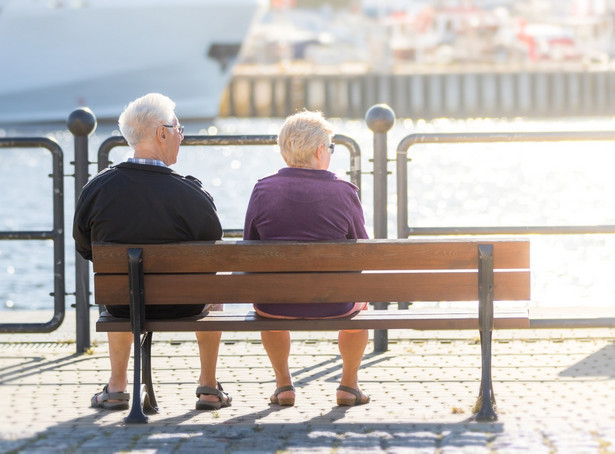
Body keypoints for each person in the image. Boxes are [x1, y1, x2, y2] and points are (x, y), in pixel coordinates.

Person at [73, 93, 231, 411]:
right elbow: (213, 247)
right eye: (178, 128)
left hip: (122, 307)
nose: (180, 135)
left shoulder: (97, 189)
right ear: (162, 133)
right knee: (211, 282)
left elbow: (84, 246)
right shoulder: (192, 194)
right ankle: (209, 386)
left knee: (119, 281)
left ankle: (117, 386)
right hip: (184, 306)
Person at [243, 110, 370, 407]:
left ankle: (284, 385)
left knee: (269, 307)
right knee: (361, 305)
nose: (331, 154)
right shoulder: (344, 191)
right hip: (336, 304)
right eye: (331, 148)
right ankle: (348, 385)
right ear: (318, 151)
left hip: (274, 305)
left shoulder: (262, 189)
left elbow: (249, 247)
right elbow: (363, 250)